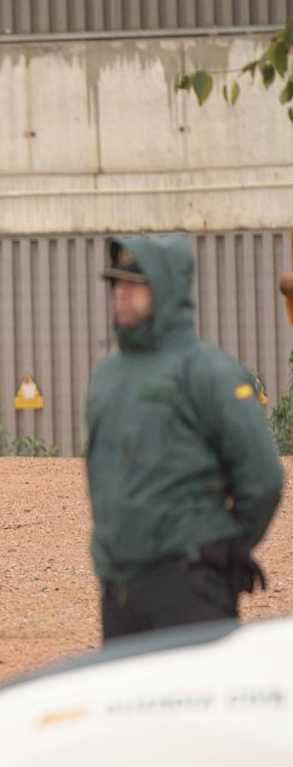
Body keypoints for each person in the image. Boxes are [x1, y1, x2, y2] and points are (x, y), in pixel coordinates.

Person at [87, 234, 283, 641]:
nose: (120, 294)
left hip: (189, 586)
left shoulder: (210, 372)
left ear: (166, 289)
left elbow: (263, 480)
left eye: (134, 284)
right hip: (120, 589)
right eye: (116, 283)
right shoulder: (108, 377)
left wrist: (220, 549)